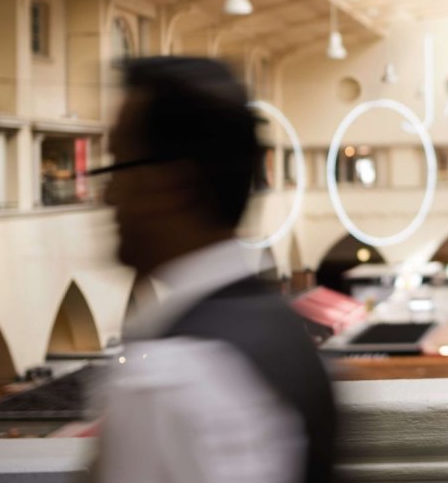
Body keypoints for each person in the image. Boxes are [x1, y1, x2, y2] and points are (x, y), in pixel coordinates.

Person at [89, 57, 336, 483]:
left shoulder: (168, 379)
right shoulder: (287, 334)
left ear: (175, 183)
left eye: (118, 165)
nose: (108, 194)